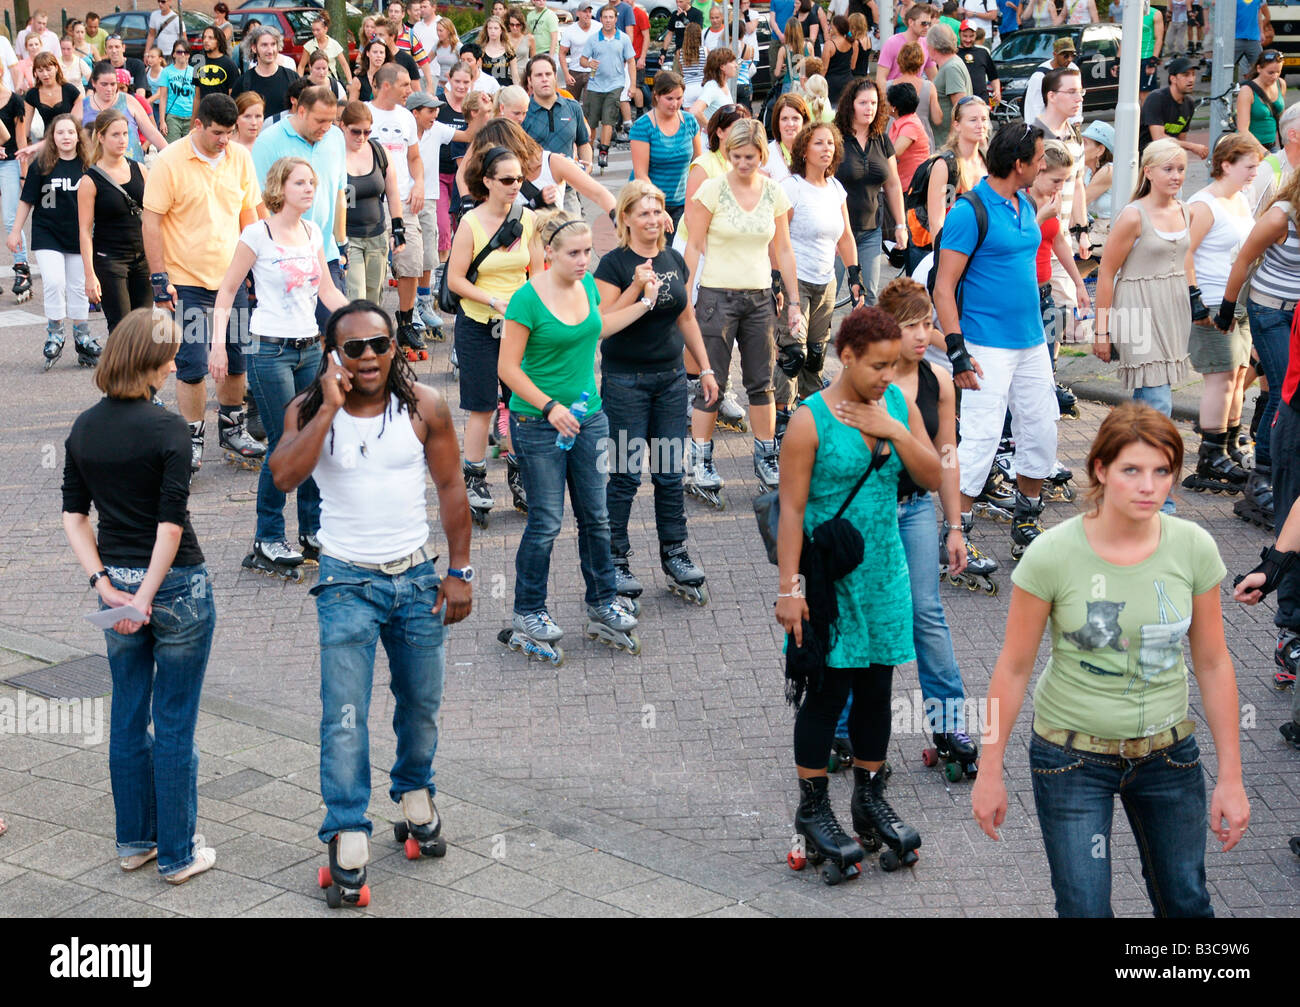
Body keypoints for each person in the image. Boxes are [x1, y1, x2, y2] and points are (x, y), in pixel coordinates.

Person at [972, 402, 1250, 918]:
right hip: (1071, 759)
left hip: (1169, 757)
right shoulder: (1052, 554)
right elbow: (1012, 667)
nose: (1149, 486)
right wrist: (989, 770)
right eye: (1132, 470)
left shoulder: (1193, 547)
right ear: (1100, 469)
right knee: (1084, 908)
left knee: (1186, 903)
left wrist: (1231, 777)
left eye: (1162, 471)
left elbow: (1214, 663)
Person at [268, 300, 472, 910]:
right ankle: (347, 827)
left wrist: (459, 571)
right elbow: (283, 477)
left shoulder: (424, 406)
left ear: (394, 346)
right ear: (332, 354)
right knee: (345, 715)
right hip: (345, 583)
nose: (367, 357)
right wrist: (329, 408)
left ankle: (414, 790)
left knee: (421, 703)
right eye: (352, 348)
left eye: (379, 344)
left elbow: (451, 487)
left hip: (416, 578)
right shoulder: (307, 409)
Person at [776, 305, 941, 883]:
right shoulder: (810, 421)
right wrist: (791, 589)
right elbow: (791, 511)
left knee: (876, 691)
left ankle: (869, 798)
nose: (887, 376)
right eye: (877, 366)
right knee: (827, 693)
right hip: (829, 580)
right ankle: (813, 807)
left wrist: (896, 430)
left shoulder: (896, 404)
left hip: (885, 573)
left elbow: (932, 476)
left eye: (893, 366)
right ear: (846, 357)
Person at [61, 307, 218, 885]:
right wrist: (146, 596)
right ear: (149, 364)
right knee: (174, 723)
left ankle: (135, 842)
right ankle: (178, 855)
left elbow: (74, 516)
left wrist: (106, 586)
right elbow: (170, 528)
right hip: (175, 586)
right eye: (169, 358)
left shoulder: (84, 428)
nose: (175, 366)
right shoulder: (169, 430)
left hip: (116, 583)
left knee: (128, 715)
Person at [497, 210, 659, 658]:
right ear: (549, 252)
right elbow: (507, 368)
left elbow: (597, 328)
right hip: (537, 423)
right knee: (546, 522)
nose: (584, 260)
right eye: (574, 253)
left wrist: (644, 303)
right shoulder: (526, 300)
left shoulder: (586, 285)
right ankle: (528, 610)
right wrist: (549, 407)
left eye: (588, 251)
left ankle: (603, 602)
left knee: (596, 516)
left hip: (589, 418)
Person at [212, 155, 348, 575]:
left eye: (312, 183)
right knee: (284, 443)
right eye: (300, 183)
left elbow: (328, 292)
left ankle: (311, 531)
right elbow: (227, 290)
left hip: (310, 350)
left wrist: (363, 321)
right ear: (279, 188)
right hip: (269, 351)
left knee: (313, 440)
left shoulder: (312, 231)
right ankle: (267, 537)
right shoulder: (258, 233)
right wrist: (218, 346)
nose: (309, 189)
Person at [934, 121, 1059, 560]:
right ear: (1019, 164)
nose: (1043, 166)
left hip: (1032, 343)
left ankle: (1026, 522)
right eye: (1039, 159)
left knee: (1041, 430)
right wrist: (957, 352)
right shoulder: (969, 211)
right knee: (981, 439)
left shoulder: (1025, 202)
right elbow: (943, 288)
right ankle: (955, 533)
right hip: (986, 345)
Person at [594, 179, 718, 602]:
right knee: (625, 475)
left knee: (668, 473)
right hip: (625, 384)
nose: (652, 219)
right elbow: (602, 323)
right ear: (626, 218)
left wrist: (705, 368)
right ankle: (615, 559)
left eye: (657, 210)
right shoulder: (612, 265)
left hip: (669, 382)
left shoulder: (673, 259)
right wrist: (636, 288)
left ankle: (675, 553)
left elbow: (686, 318)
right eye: (643, 212)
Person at [143, 93, 263, 475]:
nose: (225, 140)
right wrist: (159, 280)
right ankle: (192, 438)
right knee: (192, 364)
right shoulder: (169, 161)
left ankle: (233, 429)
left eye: (230, 132)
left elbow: (248, 213)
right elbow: (151, 222)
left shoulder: (239, 157)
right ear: (198, 125)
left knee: (237, 357)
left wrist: (255, 270)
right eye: (217, 133)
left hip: (232, 277)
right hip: (186, 282)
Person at [685, 119, 802, 498]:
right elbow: (694, 245)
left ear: (762, 155)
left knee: (762, 381)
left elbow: (783, 249)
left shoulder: (773, 192)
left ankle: (766, 456)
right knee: (712, 382)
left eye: (750, 156)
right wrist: (685, 296)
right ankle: (700, 459)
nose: (743, 163)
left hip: (760, 297)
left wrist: (794, 301)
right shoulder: (712, 189)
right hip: (716, 296)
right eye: (736, 156)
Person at [1093, 139, 1193, 498]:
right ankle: (1159, 497)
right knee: (1158, 402)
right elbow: (1106, 273)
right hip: (1137, 309)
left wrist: (1196, 298)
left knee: (1145, 404)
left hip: (1173, 310)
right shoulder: (1133, 215)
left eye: (1181, 169)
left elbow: (1186, 260)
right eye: (1168, 169)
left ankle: (1121, 471)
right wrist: (1101, 331)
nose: (1176, 175)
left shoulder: (1185, 210)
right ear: (1148, 172)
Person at [447, 144, 540, 523]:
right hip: (478, 323)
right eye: (506, 180)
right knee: (482, 406)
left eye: (519, 178)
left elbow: (538, 272)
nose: (515, 185)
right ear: (487, 182)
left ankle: (520, 475)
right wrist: (492, 300)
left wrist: (532, 305)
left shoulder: (528, 219)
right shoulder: (470, 223)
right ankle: (475, 478)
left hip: (518, 326)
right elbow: (455, 280)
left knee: (520, 403)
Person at [1216, 149, 1300, 532]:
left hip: (1297, 314)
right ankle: (1261, 478)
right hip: (1269, 311)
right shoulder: (1281, 215)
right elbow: (1244, 259)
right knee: (1283, 391)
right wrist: (1227, 308)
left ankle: (1284, 467)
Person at [1182, 132, 1264, 495]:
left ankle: (1228, 446)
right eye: (1249, 166)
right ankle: (1210, 455)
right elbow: (1185, 252)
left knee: (1238, 374)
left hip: (1238, 300)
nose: (1254, 173)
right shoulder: (1204, 204)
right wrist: (1194, 298)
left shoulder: (1240, 199)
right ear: (1226, 165)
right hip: (1213, 301)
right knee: (1220, 378)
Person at [776, 120, 862, 441]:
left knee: (815, 354)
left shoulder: (836, 188)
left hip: (826, 281)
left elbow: (846, 237)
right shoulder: (792, 188)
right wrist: (778, 282)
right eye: (818, 143)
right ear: (803, 150)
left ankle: (811, 417)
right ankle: (781, 422)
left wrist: (855, 276)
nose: (826, 149)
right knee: (792, 354)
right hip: (795, 281)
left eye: (830, 143)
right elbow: (778, 240)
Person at [252, 84, 347, 335]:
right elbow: (258, 202)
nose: (326, 127)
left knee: (335, 331)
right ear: (301, 111)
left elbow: (340, 192)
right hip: (285, 257)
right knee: (296, 332)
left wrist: (342, 242)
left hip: (326, 252)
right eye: (320, 120)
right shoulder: (268, 141)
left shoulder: (336, 137)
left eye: (331, 120)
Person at [7, 115, 94, 369]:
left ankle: (82, 335)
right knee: (55, 282)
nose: (66, 136)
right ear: (51, 137)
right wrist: (15, 231)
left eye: (70, 132)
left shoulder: (88, 165)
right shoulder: (41, 165)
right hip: (47, 233)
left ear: (78, 136)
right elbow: (26, 200)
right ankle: (55, 332)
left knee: (78, 286)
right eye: (60, 132)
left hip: (78, 235)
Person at [367, 63, 428, 357]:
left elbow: (414, 157)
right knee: (375, 269)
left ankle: (406, 322)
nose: (410, 90)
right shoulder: (365, 113)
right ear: (386, 85)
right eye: (405, 84)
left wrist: (419, 184)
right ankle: (374, 326)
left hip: (404, 201)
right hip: (372, 202)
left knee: (412, 262)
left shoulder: (406, 117)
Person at [834, 79, 908, 307]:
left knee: (870, 296)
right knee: (828, 295)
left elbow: (893, 184)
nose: (869, 108)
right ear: (851, 104)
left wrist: (900, 225)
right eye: (863, 103)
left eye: (874, 103)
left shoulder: (882, 139)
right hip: (838, 230)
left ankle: (862, 331)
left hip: (871, 230)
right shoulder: (835, 138)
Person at [78, 109, 151, 338]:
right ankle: (119, 363)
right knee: (121, 330)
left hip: (143, 259)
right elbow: (84, 231)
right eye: (115, 135)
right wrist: (89, 275)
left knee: (144, 328)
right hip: (110, 261)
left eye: (125, 134)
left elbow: (154, 218)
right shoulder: (90, 180)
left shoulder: (140, 169)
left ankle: (138, 364)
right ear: (100, 137)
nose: (122, 140)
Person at [581, 4, 637, 171]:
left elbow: (631, 61)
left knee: (608, 119)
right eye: (605, 17)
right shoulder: (593, 39)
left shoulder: (623, 38)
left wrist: (632, 85)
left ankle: (603, 151)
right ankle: (588, 153)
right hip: (595, 85)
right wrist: (589, 63)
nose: (607, 20)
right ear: (600, 19)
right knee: (591, 123)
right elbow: (582, 60)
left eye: (610, 17)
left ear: (615, 19)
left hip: (615, 85)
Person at [1139, 57, 1207, 159]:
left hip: (1168, 158)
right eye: (1186, 75)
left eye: (1193, 74)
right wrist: (1192, 146)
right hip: (1145, 158)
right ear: (1173, 79)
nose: (1191, 79)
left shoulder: (1189, 104)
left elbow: (1181, 140)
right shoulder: (1156, 99)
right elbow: (1158, 139)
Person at [0, 76, 28, 304]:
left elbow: (20, 140)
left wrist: (24, 173)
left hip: (9, 162)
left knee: (11, 218)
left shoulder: (14, 101)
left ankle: (22, 269)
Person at [236, 27, 301, 123]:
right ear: (254, 48)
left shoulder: (292, 77)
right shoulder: (243, 82)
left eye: (273, 44)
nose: (270, 50)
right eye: (264, 45)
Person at [928, 23, 971, 151]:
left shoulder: (951, 68)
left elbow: (960, 107)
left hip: (947, 145)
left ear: (933, 47)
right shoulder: (951, 64)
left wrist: (950, 145)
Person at [877, 4, 936, 90]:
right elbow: (880, 78)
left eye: (929, 24)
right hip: (894, 94)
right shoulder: (892, 42)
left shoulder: (926, 44)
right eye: (924, 23)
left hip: (915, 94)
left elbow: (934, 77)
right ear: (911, 22)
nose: (927, 27)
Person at [24, 52, 80, 142]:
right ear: (35, 73)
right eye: (40, 71)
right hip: (48, 141)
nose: (45, 74)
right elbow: (25, 127)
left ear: (56, 68)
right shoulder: (32, 94)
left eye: (48, 69)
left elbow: (80, 120)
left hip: (69, 139)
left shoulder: (70, 90)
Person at [1021, 37, 1077, 128]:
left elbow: (1076, 97)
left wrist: (1076, 121)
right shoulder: (1040, 76)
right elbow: (1035, 107)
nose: (1070, 59)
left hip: (1066, 126)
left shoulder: (1073, 69)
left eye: (1073, 55)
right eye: (1066, 55)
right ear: (1055, 55)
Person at [1237, 49, 1285, 152]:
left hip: (1271, 146)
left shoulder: (1281, 84)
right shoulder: (1247, 91)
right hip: (1247, 148)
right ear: (1259, 68)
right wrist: (1265, 153)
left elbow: (1281, 118)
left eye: (1278, 72)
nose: (1275, 76)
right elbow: (1243, 130)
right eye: (1270, 72)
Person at [887, 82, 930, 193]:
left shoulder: (910, 124)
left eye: (887, 101)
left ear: (894, 107)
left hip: (913, 188)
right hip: (904, 184)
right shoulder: (901, 122)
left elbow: (895, 152)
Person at [764, 91, 811, 183]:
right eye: (784, 119)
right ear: (777, 122)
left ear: (804, 121)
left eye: (795, 118)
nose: (790, 124)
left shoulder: (814, 150)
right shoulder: (767, 155)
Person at [820, 14, 865, 107]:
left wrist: (819, 82)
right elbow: (853, 66)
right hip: (848, 81)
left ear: (835, 27)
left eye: (831, 25)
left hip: (832, 83)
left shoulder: (829, 44)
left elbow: (824, 68)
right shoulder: (853, 43)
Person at [1081, 118, 1114, 242]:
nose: (1079, 147)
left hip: (1110, 230)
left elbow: (1080, 202)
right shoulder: (1088, 170)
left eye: (1084, 143)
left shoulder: (1108, 171)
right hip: (1098, 228)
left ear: (1100, 150)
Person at [156, 40, 196, 143]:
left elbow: (198, 97)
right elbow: (163, 97)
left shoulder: (195, 72)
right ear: (174, 54)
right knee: (172, 148)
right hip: (173, 116)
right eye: (179, 52)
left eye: (185, 52)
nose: (182, 55)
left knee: (189, 148)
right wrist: (162, 121)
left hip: (191, 116)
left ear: (189, 55)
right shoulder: (166, 72)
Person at [299, 11, 351, 85]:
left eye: (318, 30)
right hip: (315, 82)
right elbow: (301, 66)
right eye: (313, 30)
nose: (315, 33)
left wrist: (350, 82)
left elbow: (344, 65)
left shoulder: (334, 44)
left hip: (331, 82)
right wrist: (300, 83)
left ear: (325, 29)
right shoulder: (308, 46)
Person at [690, 47, 736, 129]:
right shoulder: (712, 86)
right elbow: (695, 110)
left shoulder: (723, 84)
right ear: (722, 66)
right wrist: (711, 129)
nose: (736, 65)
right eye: (732, 62)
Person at [560, 4, 599, 99]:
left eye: (589, 12)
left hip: (593, 71)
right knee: (571, 101)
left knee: (589, 103)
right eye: (584, 11)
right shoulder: (570, 30)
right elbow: (562, 53)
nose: (587, 14)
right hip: (575, 71)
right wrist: (566, 74)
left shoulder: (598, 27)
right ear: (578, 13)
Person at [957, 20, 999, 104]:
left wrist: (997, 91)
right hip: (962, 102)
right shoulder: (954, 53)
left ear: (976, 35)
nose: (968, 40)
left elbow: (993, 76)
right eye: (965, 36)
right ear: (959, 34)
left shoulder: (983, 52)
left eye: (971, 36)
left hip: (982, 102)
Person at [195, 26, 238, 106]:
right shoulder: (199, 63)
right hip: (204, 111)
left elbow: (233, 97)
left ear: (218, 42)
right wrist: (194, 114)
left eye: (210, 38)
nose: (206, 40)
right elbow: (197, 97)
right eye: (204, 37)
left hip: (222, 111)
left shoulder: (230, 65)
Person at [773, 17, 812, 100]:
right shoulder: (808, 46)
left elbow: (777, 73)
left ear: (787, 32)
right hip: (806, 85)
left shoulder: (783, 49)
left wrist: (786, 67)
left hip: (789, 85)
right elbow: (813, 66)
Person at [675, 23, 708, 109]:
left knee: (689, 116)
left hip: (688, 88)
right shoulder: (705, 50)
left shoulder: (680, 52)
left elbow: (682, 72)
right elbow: (708, 69)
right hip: (703, 87)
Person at [480, 16, 518, 89]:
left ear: (501, 30)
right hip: (487, 90)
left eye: (496, 28)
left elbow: (515, 76)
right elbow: (479, 74)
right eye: (490, 28)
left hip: (504, 89)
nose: (492, 31)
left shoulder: (509, 50)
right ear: (486, 30)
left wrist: (518, 91)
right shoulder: (481, 50)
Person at [1235, 0, 1268, 79]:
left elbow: (1259, 14)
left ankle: (1256, 86)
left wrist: (1261, 32)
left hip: (1253, 39)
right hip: (1235, 38)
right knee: (1227, 66)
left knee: (1260, 67)